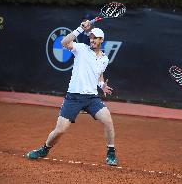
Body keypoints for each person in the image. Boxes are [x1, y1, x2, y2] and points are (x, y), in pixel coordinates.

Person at [26, 20, 118, 166]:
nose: (92, 40)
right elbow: (63, 42)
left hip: (92, 98)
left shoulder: (104, 59)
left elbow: (98, 75)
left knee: (108, 119)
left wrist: (102, 85)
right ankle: (44, 149)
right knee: (60, 130)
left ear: (102, 40)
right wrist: (80, 28)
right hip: (73, 97)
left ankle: (111, 152)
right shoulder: (81, 48)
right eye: (91, 37)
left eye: (95, 38)